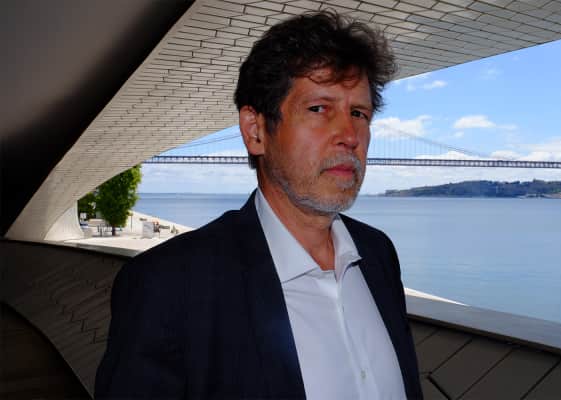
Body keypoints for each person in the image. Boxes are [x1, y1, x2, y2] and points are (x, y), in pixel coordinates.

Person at [95, 10, 423, 400]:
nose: (350, 135)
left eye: (359, 113)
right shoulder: (168, 286)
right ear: (255, 131)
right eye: (319, 109)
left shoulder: (379, 255)